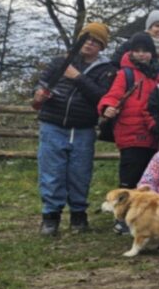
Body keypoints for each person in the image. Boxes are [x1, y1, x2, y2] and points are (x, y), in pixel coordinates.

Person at [34, 23, 115, 235]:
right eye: (87, 39)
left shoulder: (107, 70)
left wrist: (77, 78)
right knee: (51, 172)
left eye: (96, 41)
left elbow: (101, 97)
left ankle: (79, 215)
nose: (90, 43)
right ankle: (50, 217)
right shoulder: (60, 61)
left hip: (83, 127)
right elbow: (42, 83)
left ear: (102, 47)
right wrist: (40, 94)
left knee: (80, 173)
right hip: (53, 123)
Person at [99, 32, 159, 213]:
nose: (141, 54)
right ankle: (122, 216)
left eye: (145, 51)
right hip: (131, 134)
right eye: (137, 51)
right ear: (131, 52)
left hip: (153, 134)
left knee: (150, 179)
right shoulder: (125, 74)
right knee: (130, 178)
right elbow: (113, 95)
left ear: (152, 53)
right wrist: (107, 107)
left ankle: (145, 216)